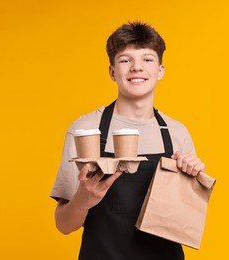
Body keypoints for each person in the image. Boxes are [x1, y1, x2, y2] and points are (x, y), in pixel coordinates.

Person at [50, 21, 206, 260]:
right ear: (112, 72)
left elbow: (184, 221)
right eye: (125, 60)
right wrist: (83, 201)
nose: (136, 68)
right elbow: (63, 225)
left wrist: (193, 178)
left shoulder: (176, 133)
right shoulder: (85, 131)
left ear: (160, 70)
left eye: (147, 59)